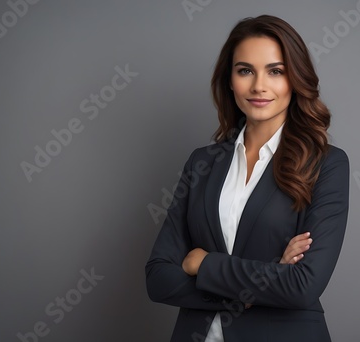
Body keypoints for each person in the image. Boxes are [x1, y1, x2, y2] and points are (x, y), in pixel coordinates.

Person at [145, 14, 349, 342]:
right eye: (245, 71)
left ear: (294, 79)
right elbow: (158, 278)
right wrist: (258, 286)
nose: (258, 86)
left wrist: (205, 264)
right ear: (229, 80)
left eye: (275, 71)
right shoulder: (202, 163)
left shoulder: (327, 164)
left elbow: (302, 286)